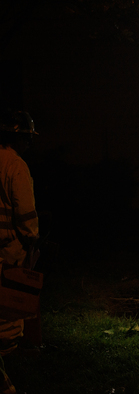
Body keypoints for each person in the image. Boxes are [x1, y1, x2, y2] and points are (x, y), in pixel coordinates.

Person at [0, 110, 40, 358]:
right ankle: (7, 359)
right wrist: (32, 238)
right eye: (27, 138)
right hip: (9, 248)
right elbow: (25, 210)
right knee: (9, 309)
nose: (28, 144)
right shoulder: (16, 165)